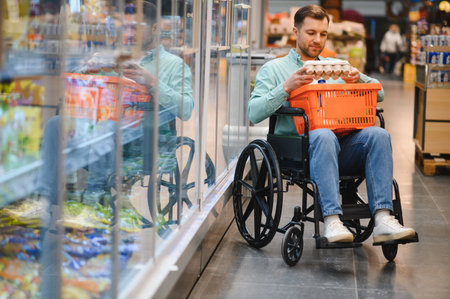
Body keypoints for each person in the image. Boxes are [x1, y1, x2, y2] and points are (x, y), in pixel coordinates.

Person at [248, 5, 415, 243]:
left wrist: (359, 78)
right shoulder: (274, 69)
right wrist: (286, 87)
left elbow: (379, 95)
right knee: (323, 135)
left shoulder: (335, 66)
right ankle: (332, 221)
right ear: (295, 32)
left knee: (378, 135)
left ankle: (383, 219)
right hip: (298, 151)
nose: (317, 39)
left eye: (323, 34)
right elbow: (254, 112)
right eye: (311, 32)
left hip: (340, 147)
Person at [37, 1, 194, 215]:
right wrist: (90, 66)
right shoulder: (115, 60)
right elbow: (78, 89)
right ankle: (44, 202)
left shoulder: (174, 65)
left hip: (143, 143)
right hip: (103, 137)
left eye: (136, 27)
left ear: (156, 28)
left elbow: (186, 110)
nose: (129, 33)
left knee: (105, 130)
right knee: (56, 124)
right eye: (126, 27)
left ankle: (92, 206)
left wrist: (151, 82)